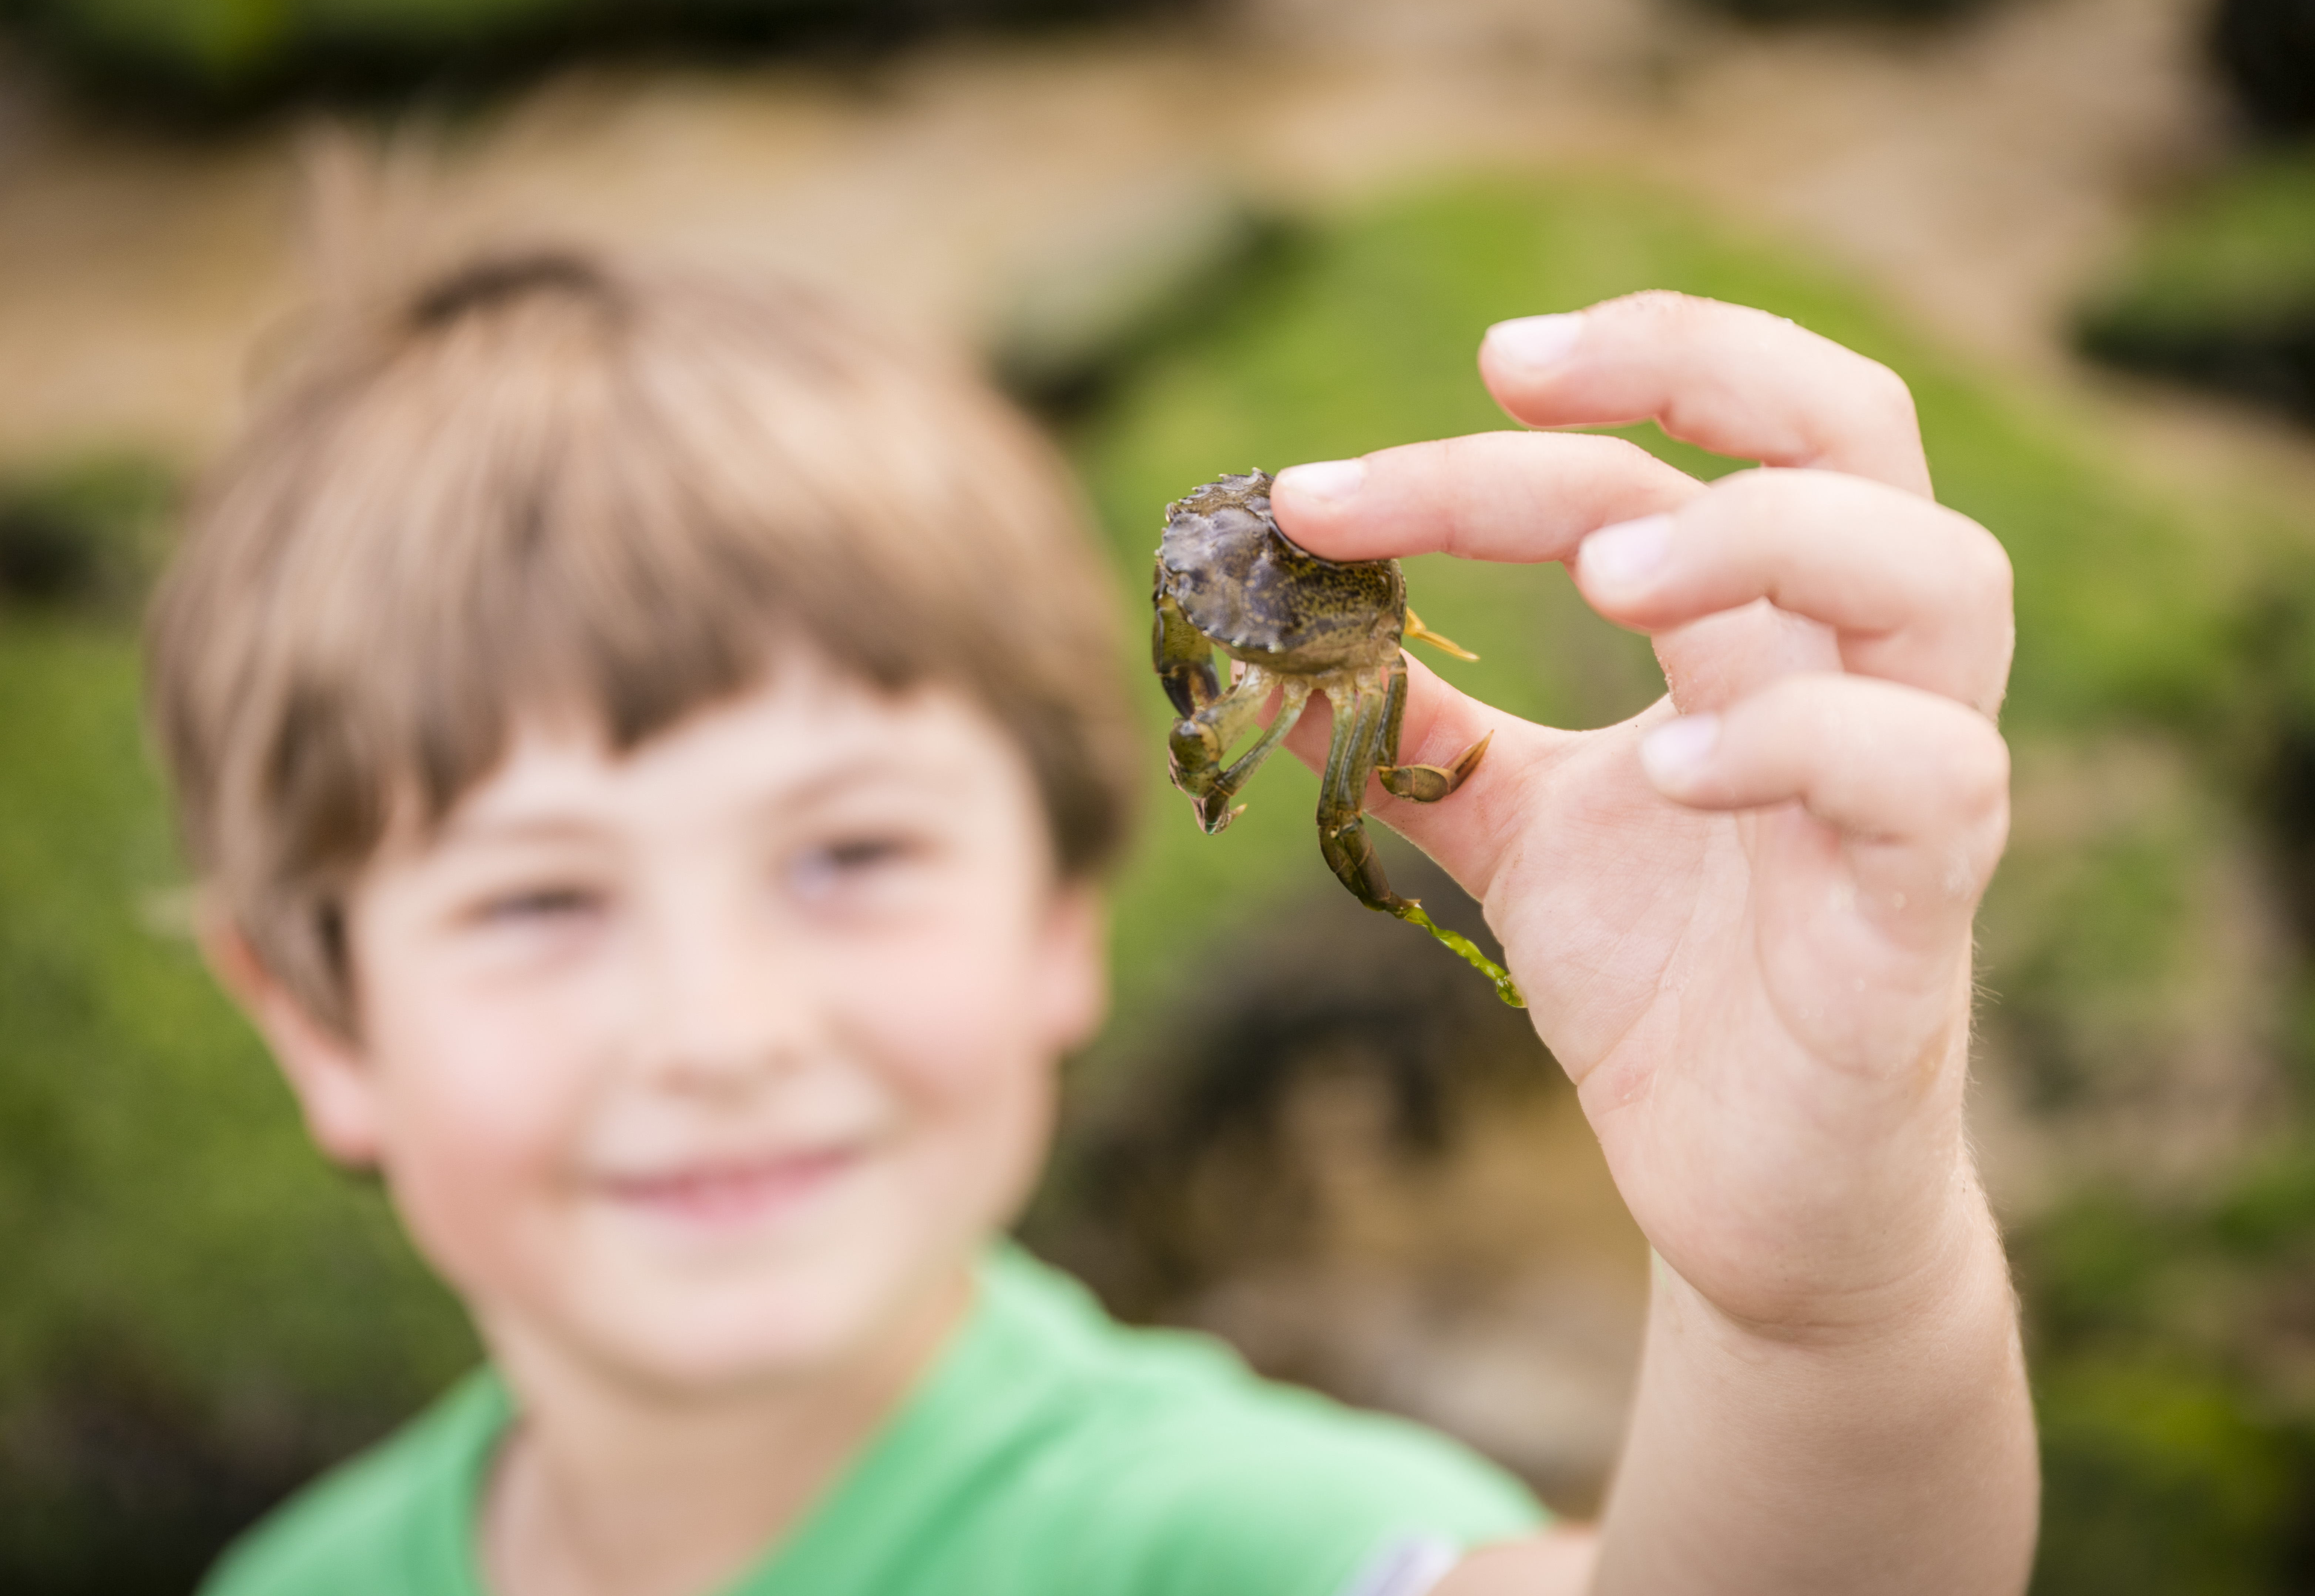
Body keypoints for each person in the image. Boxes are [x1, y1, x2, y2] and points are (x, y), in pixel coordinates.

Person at [150, 241, 2036, 1596]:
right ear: (318, 1018)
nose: (720, 1029)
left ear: (1065, 916)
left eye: (850, 857)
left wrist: (1821, 1313)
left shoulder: (1218, 1540)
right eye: (542, 897)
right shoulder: (299, 1575)